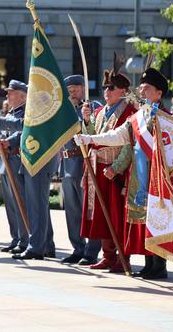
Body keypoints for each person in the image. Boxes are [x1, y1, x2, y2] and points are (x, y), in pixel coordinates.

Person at [75, 68, 170, 279]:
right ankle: (149, 262)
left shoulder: (165, 116)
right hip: (139, 175)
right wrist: (90, 139)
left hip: (157, 176)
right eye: (142, 89)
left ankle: (159, 264)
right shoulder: (139, 115)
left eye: (146, 89)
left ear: (159, 93)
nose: (142, 93)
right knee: (143, 218)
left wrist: (116, 166)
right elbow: (118, 136)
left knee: (156, 219)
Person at [79, 57, 136, 272]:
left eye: (111, 88)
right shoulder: (101, 111)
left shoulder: (130, 112)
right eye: (105, 88)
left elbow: (129, 144)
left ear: (122, 90)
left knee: (118, 215)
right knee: (102, 215)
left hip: (117, 170)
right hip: (98, 166)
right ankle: (108, 255)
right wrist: (86, 121)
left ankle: (123, 257)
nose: (106, 92)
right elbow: (92, 137)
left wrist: (117, 167)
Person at [59, 74, 102, 266]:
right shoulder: (63, 111)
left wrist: (86, 117)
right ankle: (77, 248)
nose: (74, 93)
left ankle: (92, 251)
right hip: (67, 163)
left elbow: (97, 132)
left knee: (89, 209)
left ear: (83, 89)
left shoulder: (92, 108)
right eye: (70, 90)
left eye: (77, 89)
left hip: (84, 163)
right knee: (72, 211)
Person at [0, 80, 29, 254]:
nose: (7, 96)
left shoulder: (25, 113)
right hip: (5, 162)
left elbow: (22, 133)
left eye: (11, 92)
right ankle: (16, 237)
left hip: (16, 160)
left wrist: (7, 142)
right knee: (10, 204)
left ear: (21, 95)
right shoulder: (11, 113)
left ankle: (25, 239)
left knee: (20, 203)